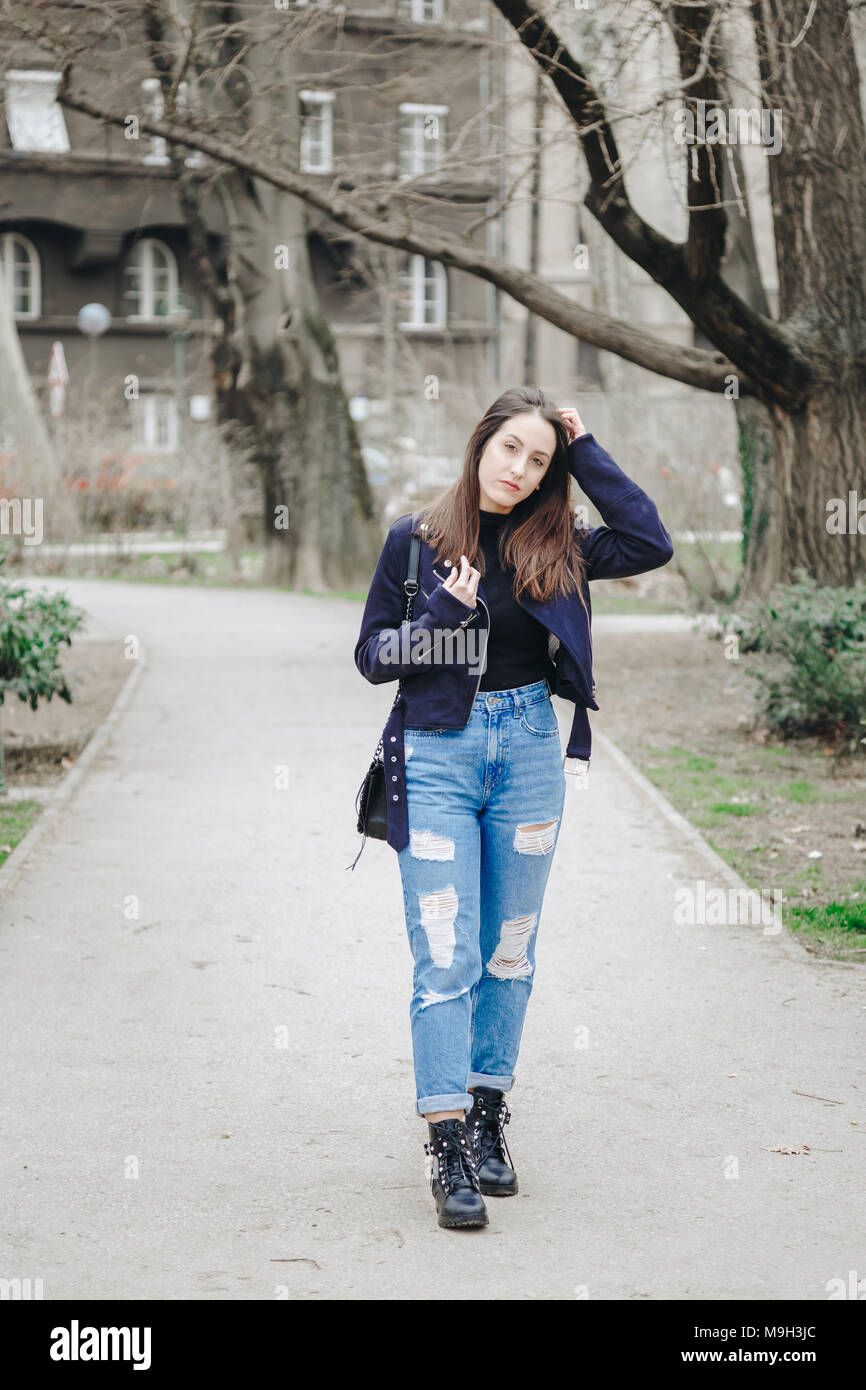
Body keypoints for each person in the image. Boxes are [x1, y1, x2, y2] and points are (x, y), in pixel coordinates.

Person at [354, 386, 674, 1230]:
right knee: (446, 955)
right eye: (511, 451)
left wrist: (586, 445)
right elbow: (374, 657)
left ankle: (490, 1111)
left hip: (530, 750)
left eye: (540, 462)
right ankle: (447, 1138)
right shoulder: (416, 541)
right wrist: (443, 613)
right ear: (481, 444)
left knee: (510, 950)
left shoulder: (560, 541)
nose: (520, 471)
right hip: (437, 758)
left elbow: (650, 539)